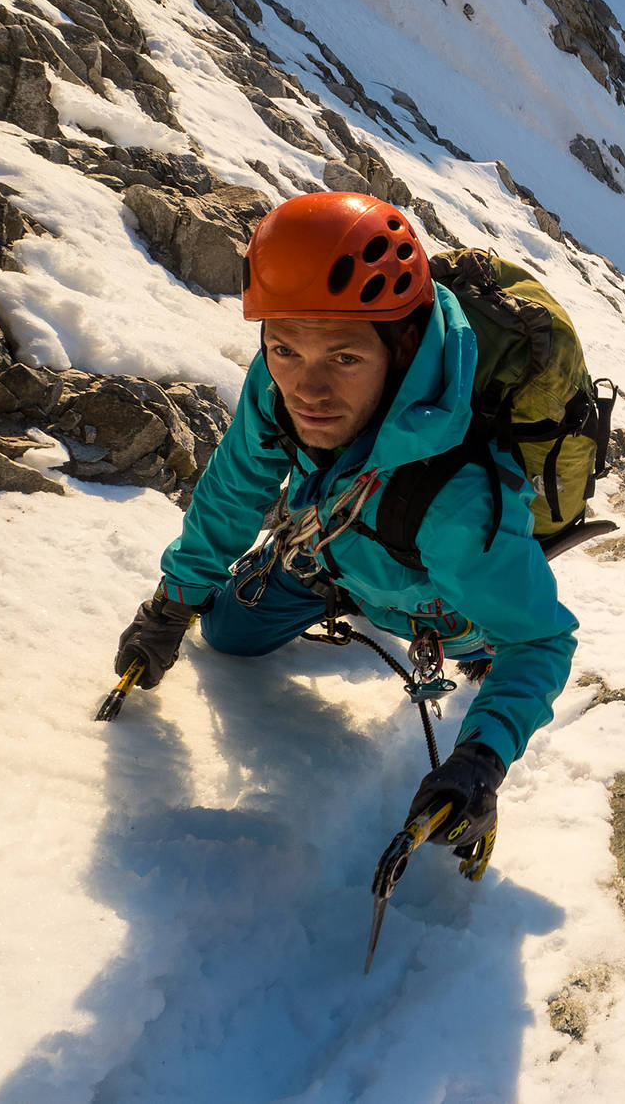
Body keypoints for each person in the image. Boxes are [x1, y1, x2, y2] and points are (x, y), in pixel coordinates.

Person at [113, 192, 578, 856]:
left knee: (492, 644)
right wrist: (173, 603)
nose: (308, 388)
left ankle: (474, 647)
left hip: (441, 602)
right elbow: (235, 483)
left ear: (405, 344)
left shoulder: (457, 503)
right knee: (224, 630)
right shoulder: (284, 377)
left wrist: (482, 759)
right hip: (332, 556)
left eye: (345, 358)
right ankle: (346, 585)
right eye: (284, 348)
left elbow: (541, 641)